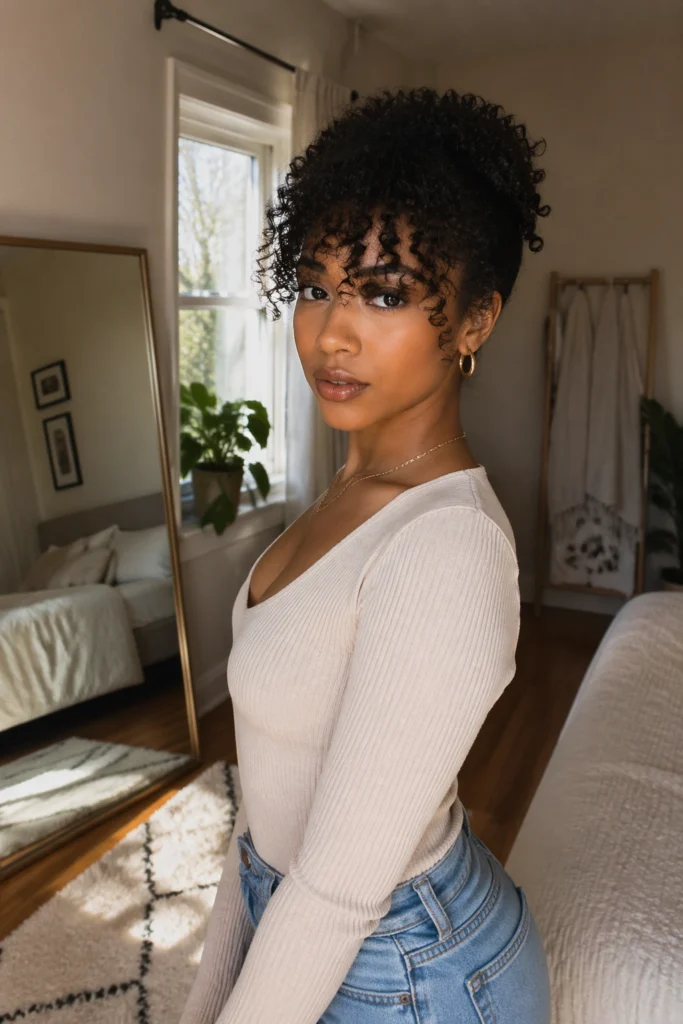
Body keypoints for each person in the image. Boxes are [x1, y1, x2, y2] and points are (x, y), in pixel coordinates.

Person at [179, 86, 552, 1024]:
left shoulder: (447, 549)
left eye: (384, 294)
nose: (330, 333)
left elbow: (339, 890)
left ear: (474, 321)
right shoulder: (346, 493)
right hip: (306, 910)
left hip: (408, 971)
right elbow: (268, 811)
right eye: (314, 286)